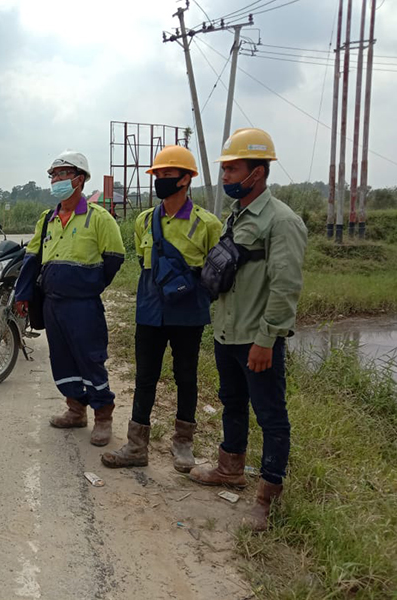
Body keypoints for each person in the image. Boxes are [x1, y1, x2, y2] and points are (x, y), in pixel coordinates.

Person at [188, 128, 307, 532]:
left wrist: (267, 339)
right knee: (232, 402)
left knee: (271, 414)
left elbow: (285, 287)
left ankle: (267, 498)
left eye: (232, 169)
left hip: (257, 340)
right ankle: (230, 468)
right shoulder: (235, 216)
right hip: (227, 333)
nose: (225, 176)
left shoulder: (282, 221)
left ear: (258, 172)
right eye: (224, 169)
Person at [102, 146, 222, 473]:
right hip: (150, 309)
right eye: (158, 174)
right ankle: (136, 446)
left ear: (186, 179)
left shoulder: (207, 224)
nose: (160, 180)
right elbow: (144, 263)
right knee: (145, 376)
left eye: (167, 174)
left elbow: (215, 273)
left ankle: (183, 443)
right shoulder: (144, 221)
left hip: (188, 313)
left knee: (186, 376)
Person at [14, 150, 125, 446]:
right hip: (52, 303)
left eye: (63, 174)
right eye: (53, 175)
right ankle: (75, 409)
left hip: (83, 306)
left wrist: (90, 284)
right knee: (62, 359)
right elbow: (32, 258)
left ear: (80, 179)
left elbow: (114, 257)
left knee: (90, 358)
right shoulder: (47, 219)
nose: (56, 180)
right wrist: (23, 293)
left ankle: (103, 415)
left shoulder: (98, 218)